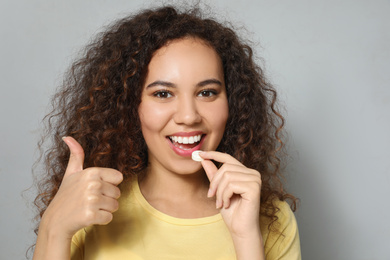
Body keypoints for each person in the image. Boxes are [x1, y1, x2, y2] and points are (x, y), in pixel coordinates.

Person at [32, 4, 301, 260]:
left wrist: (245, 238)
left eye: (207, 93)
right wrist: (54, 225)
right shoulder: (89, 204)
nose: (188, 117)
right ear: (130, 105)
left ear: (233, 102)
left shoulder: (271, 218)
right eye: (163, 94)